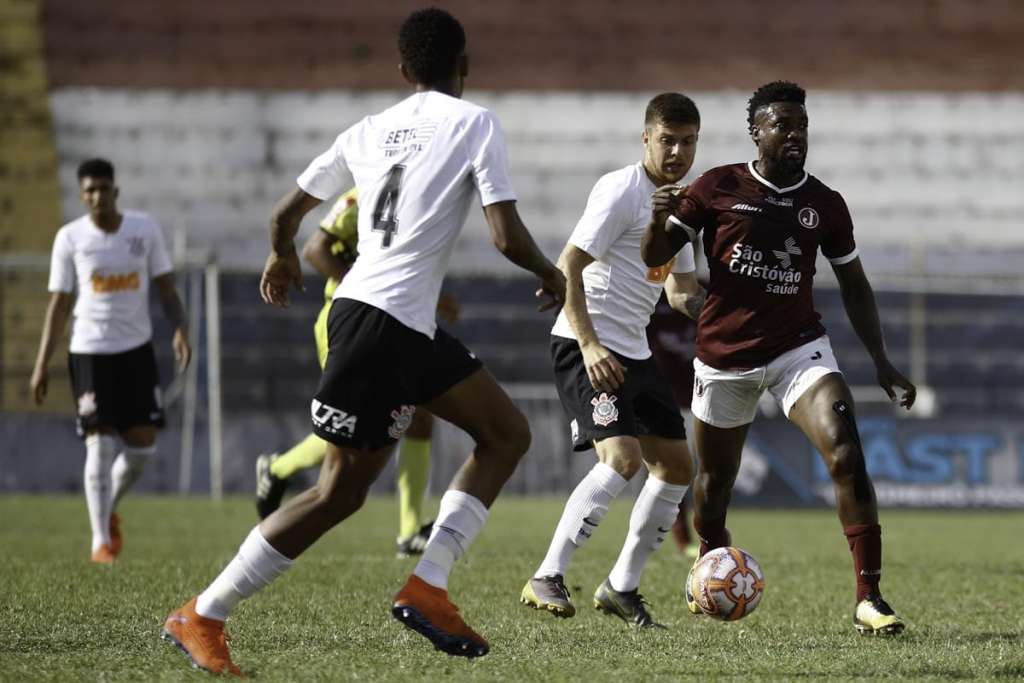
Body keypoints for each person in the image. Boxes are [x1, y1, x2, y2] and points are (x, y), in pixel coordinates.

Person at [162, 8, 565, 675]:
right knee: (337, 494)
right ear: (464, 67)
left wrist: (281, 256)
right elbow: (503, 233)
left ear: (404, 70)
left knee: (506, 432)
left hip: (395, 322)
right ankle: (203, 612)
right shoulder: (476, 122)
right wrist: (551, 272)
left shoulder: (369, 130)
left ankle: (429, 584)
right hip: (384, 324)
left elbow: (285, 214)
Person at [642, 81, 916, 636]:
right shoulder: (717, 186)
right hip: (724, 355)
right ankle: (711, 563)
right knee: (715, 483)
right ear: (756, 132)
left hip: (799, 347)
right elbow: (654, 255)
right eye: (782, 125)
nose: (795, 135)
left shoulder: (825, 204)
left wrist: (880, 360)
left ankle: (870, 597)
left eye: (802, 126)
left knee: (844, 449)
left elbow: (855, 285)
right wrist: (658, 217)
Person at [519, 93, 702, 628]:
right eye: (667, 140)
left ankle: (622, 587)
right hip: (587, 343)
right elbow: (568, 265)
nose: (677, 152)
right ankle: (547, 575)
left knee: (676, 467)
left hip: (635, 350)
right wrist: (592, 345)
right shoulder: (622, 189)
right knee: (621, 459)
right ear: (646, 137)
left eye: (688, 142)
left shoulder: (680, 210)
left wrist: (723, 308)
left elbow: (679, 292)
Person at [254, 187, 455, 557]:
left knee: (417, 417)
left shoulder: (423, 189)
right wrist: (369, 292)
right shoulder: (369, 191)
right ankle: (279, 469)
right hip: (350, 321)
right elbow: (316, 249)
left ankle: (410, 531)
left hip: (397, 320)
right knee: (354, 427)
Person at [30, 158, 191, 564]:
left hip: (135, 352)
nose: (97, 197)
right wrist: (41, 363)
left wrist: (181, 329)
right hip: (89, 352)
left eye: (103, 188)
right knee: (99, 446)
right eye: (89, 191)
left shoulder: (144, 230)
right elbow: (59, 305)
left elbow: (167, 289)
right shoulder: (70, 239)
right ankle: (100, 541)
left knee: (141, 449)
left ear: (115, 191)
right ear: (82, 196)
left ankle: (107, 510)